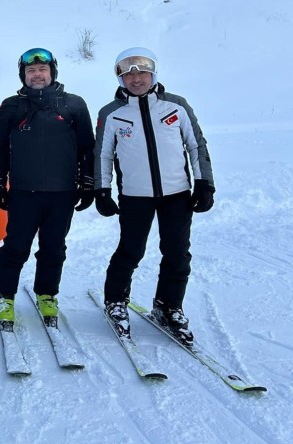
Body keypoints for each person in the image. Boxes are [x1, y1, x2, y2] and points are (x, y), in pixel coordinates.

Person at [94, 47, 215, 345]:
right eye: (128, 75)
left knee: (177, 252)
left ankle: (168, 306)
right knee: (130, 251)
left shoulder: (176, 106)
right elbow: (103, 155)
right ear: (121, 79)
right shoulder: (111, 113)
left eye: (143, 73)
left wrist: (204, 183)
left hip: (177, 195)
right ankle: (115, 301)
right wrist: (102, 189)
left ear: (153, 74)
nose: (136, 79)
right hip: (135, 196)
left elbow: (196, 145)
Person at [0, 48, 96, 330]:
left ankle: (47, 294)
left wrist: (88, 182)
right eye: (31, 71)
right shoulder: (12, 106)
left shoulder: (73, 104)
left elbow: (88, 148)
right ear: (23, 75)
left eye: (42, 70)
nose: (37, 75)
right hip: (24, 191)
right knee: (16, 246)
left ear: (52, 72)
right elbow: (0, 148)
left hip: (63, 192)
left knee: (53, 247)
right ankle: (4, 294)